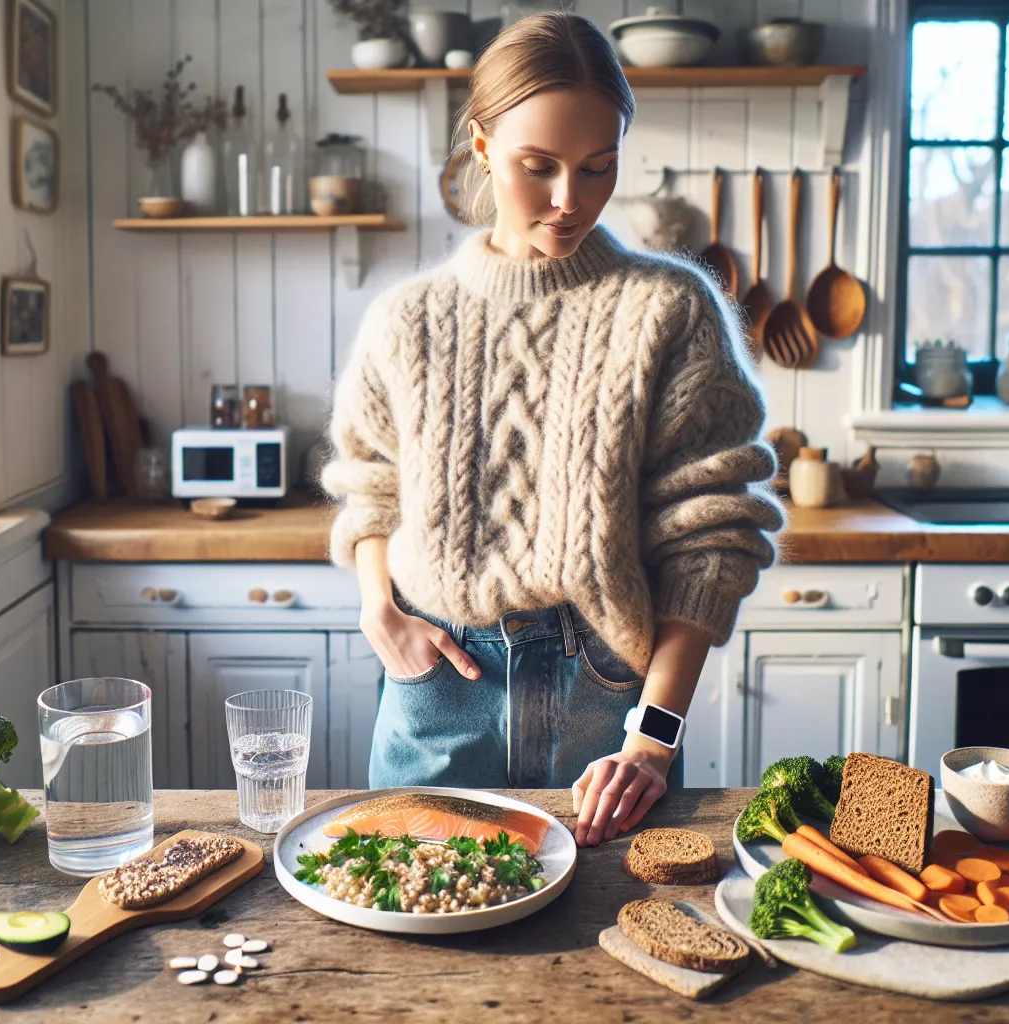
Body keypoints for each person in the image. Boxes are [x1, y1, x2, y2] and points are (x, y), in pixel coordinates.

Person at [320, 12, 784, 847]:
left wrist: (654, 738)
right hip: (437, 683)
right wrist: (375, 608)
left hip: (608, 697)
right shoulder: (407, 320)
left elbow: (713, 538)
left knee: (614, 940)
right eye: (539, 167)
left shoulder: (669, 311)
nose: (571, 200)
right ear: (483, 144)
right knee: (410, 927)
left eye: (598, 168)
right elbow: (368, 489)